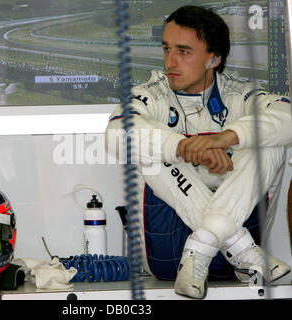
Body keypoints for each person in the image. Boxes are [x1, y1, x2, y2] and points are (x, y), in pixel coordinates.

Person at [105, 5, 292, 299]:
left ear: (214, 58)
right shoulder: (152, 93)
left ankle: (204, 245)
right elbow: (116, 136)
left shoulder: (239, 92)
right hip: (170, 255)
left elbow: (288, 116)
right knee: (146, 144)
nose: (170, 60)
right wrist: (182, 147)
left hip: (225, 251)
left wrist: (228, 137)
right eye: (166, 49)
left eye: (183, 51)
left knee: (272, 136)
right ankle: (238, 247)